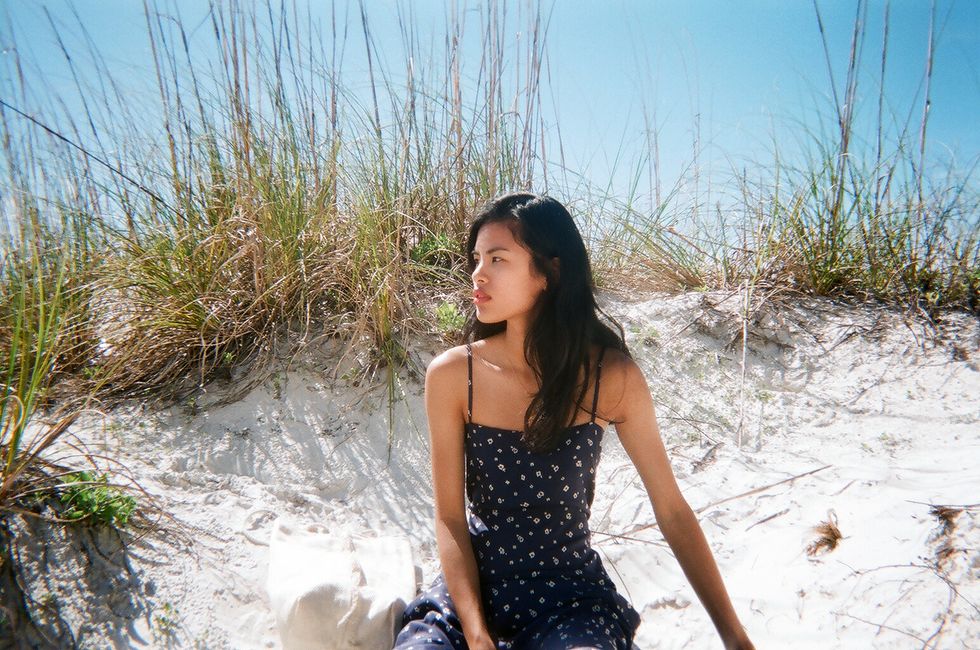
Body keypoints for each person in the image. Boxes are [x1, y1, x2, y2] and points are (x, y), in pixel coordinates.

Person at [393, 193, 754, 649]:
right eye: (477, 258)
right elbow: (449, 519)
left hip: (570, 602)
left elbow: (671, 510)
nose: (478, 274)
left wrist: (735, 638)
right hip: (471, 598)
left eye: (498, 259)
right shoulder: (453, 374)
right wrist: (477, 634)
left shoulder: (611, 377)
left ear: (550, 272)